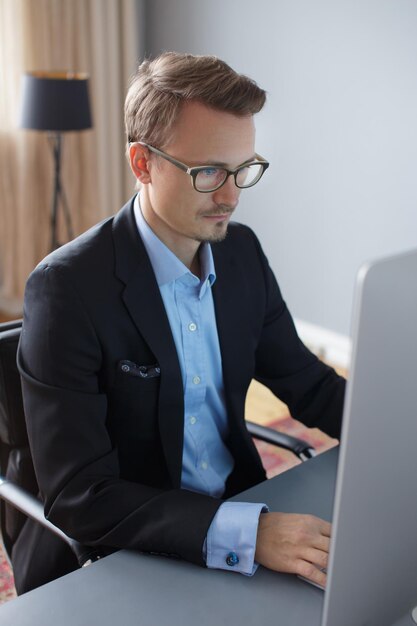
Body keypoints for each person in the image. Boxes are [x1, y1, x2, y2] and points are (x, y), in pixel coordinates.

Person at [16, 52, 345, 594]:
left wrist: (397, 433)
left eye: (243, 169)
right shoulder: (66, 290)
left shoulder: (240, 254)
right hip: (115, 555)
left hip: (238, 510)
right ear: (142, 163)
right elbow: (81, 495)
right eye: (209, 171)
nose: (231, 196)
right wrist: (251, 533)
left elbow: (306, 383)